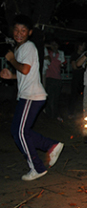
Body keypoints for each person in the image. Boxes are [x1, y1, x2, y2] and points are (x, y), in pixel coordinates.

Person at [0, 15, 64, 181]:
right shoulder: (21, 48)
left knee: (20, 132)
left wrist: (11, 60)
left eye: (23, 31)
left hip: (32, 96)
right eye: (16, 30)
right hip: (29, 95)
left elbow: (26, 70)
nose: (19, 33)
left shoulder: (27, 47)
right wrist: (11, 76)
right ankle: (51, 145)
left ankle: (37, 167)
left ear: (29, 32)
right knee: (19, 131)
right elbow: (25, 74)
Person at [44, 39, 66, 121]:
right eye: (52, 45)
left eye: (56, 45)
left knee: (56, 98)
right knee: (49, 97)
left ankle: (55, 115)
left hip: (57, 78)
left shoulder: (60, 53)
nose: (54, 46)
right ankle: (49, 115)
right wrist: (49, 46)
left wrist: (63, 65)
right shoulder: (47, 52)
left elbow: (63, 64)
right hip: (49, 77)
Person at [68, 40, 87, 119]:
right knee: (74, 96)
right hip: (76, 78)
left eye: (84, 45)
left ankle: (81, 113)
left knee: (84, 97)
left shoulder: (86, 55)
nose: (83, 47)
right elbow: (75, 66)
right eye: (82, 45)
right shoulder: (74, 55)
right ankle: (71, 113)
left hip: (84, 78)